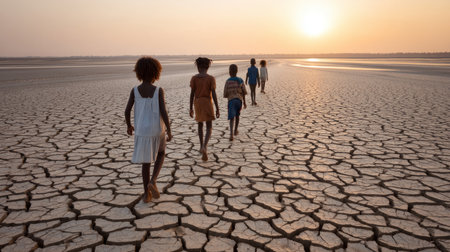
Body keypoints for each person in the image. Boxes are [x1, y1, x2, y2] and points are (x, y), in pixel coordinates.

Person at [125, 56, 173, 203]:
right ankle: (153, 180)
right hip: (157, 129)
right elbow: (163, 111)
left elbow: (127, 111)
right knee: (161, 153)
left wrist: (129, 125)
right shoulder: (158, 90)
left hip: (141, 131)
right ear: (156, 72)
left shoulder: (135, 90)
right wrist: (169, 130)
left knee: (146, 163)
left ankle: (146, 194)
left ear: (139, 72)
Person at [189, 57, 220, 161]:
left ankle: (201, 145)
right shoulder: (211, 78)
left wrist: (190, 108)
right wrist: (217, 108)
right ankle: (205, 146)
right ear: (208, 67)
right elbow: (214, 94)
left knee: (200, 125)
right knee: (209, 127)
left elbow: (192, 94)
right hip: (207, 102)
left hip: (197, 103)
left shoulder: (194, 78)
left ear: (198, 67)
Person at [224, 64, 247, 141]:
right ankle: (235, 130)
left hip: (231, 101)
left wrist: (230, 95)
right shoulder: (240, 80)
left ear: (229, 72)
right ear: (237, 71)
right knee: (237, 116)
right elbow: (244, 92)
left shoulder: (228, 81)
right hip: (239, 101)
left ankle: (231, 134)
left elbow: (225, 94)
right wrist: (244, 102)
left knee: (231, 118)